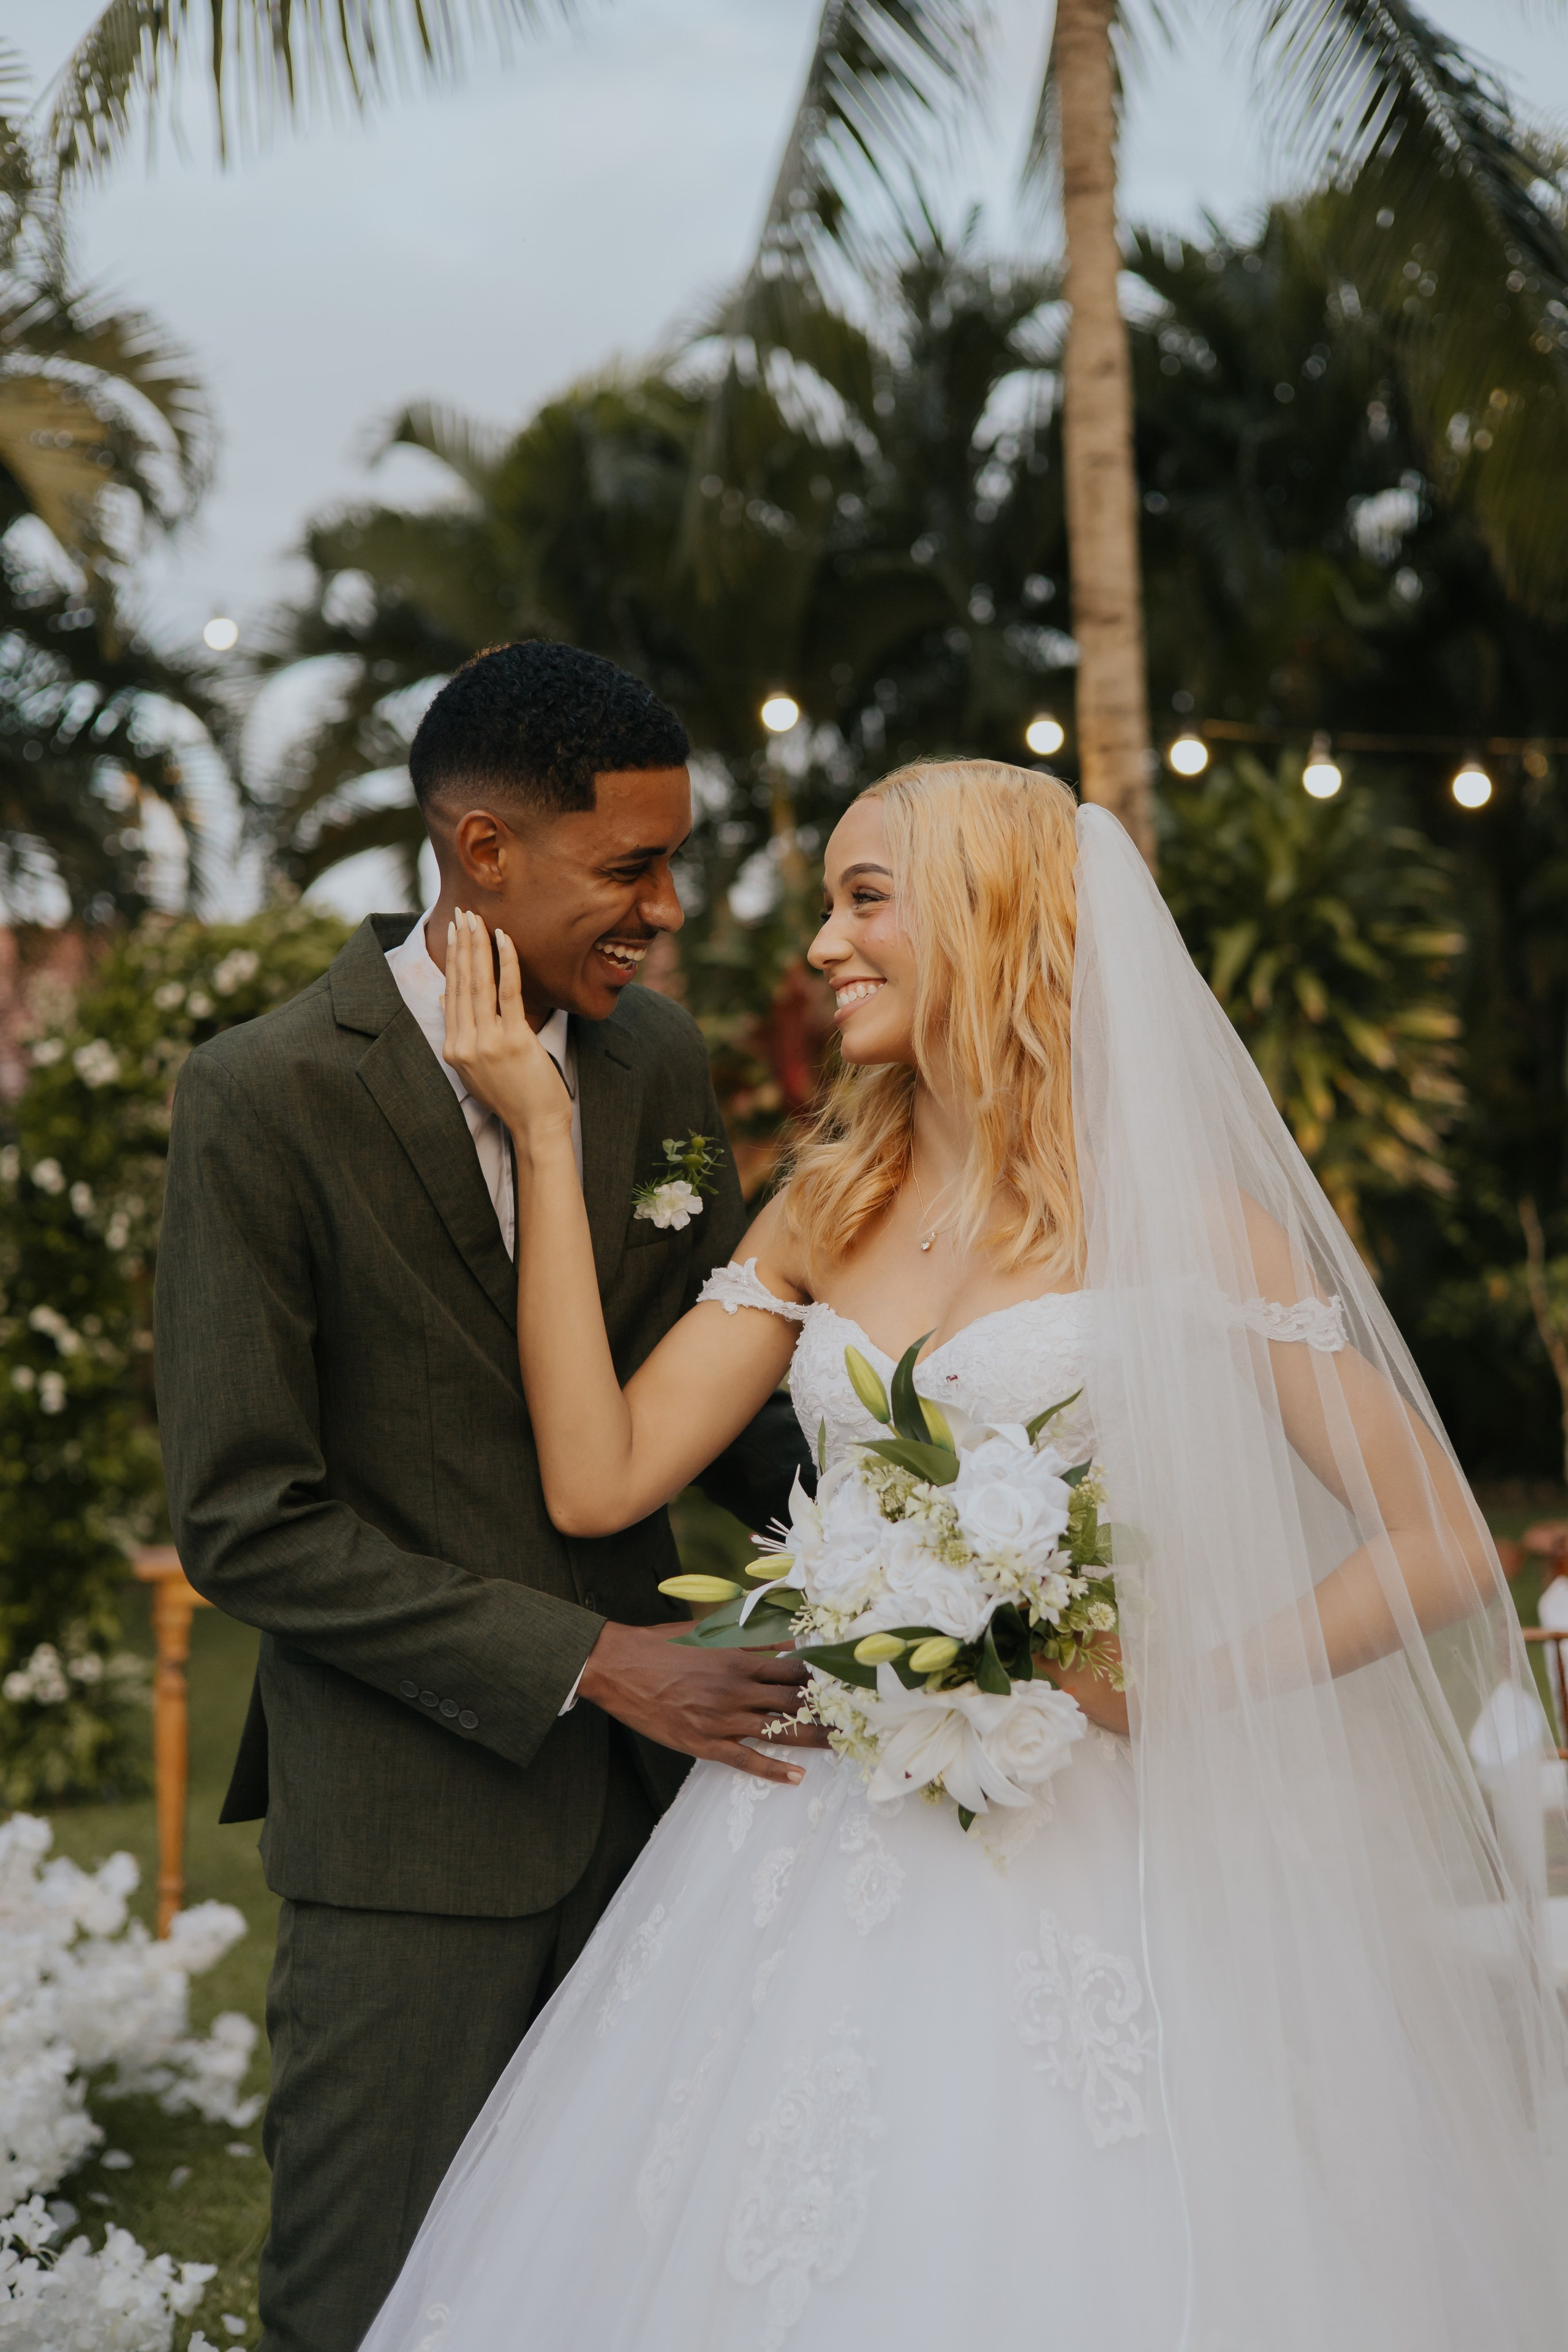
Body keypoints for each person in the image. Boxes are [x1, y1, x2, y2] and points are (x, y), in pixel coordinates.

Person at [361, 756, 1568, 2352]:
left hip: (1097, 1847)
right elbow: (597, 1479)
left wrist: (1184, 1685)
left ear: (993, 919)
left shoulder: (1188, 1224)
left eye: (866, 899)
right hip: (803, 1831)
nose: (823, 946)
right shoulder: (823, 1208)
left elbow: (1438, 1542)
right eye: (826, 908)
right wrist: (538, 1125)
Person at [153, 641, 814, 2352]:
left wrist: (919, 1555)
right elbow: (246, 1518)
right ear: (482, 849)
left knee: (633, 2285)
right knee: (362, 2300)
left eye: (675, 862)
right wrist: (596, 1662)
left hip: (671, 1831)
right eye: (633, 867)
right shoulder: (265, 1094)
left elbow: (714, 1384)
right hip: (411, 1833)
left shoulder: (658, 1063)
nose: (666, 911)